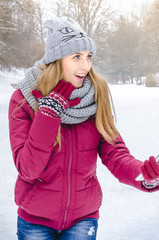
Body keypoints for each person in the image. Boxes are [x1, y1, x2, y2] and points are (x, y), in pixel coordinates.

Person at [8, 16, 159, 240]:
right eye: (76, 57)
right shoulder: (25, 99)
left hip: (83, 219)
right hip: (35, 220)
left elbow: (115, 153)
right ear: (57, 59)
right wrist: (48, 115)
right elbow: (28, 169)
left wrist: (143, 174)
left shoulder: (94, 97)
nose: (85, 66)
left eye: (88, 57)